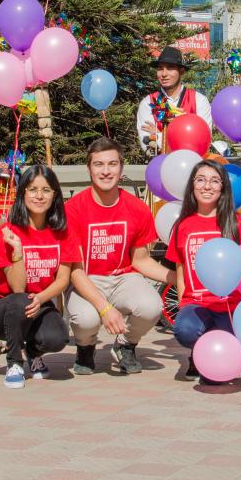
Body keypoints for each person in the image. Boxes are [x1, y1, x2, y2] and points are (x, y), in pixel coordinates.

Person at [64, 137, 172, 375]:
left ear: (121, 169)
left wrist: (176, 277)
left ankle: (125, 345)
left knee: (152, 306)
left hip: (124, 277)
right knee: (85, 319)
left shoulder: (137, 209)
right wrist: (105, 309)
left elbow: (140, 260)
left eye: (112, 164)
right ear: (89, 168)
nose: (105, 171)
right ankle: (85, 346)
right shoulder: (73, 209)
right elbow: (75, 270)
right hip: (86, 278)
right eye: (98, 164)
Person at [167, 160, 241, 381]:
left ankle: (212, 349)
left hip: (229, 305)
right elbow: (181, 268)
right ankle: (198, 350)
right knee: (185, 330)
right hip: (197, 304)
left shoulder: (235, 222)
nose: (207, 186)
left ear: (223, 188)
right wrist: (184, 303)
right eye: (200, 180)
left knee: (231, 354)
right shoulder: (183, 225)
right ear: (192, 186)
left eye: (215, 181)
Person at [0, 166, 73, 389]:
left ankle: (33, 353)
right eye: (33, 189)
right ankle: (14, 362)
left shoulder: (63, 232)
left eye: (46, 190)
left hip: (39, 302)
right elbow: (17, 287)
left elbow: (63, 279)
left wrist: (41, 299)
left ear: (55, 195)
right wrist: (17, 252)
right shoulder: (9, 230)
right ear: (23, 193)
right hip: (3, 307)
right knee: (21, 300)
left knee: (57, 337)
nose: (39, 196)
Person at [136, 47, 212, 158]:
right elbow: (148, 145)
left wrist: (159, 135)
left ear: (181, 71)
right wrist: (186, 138)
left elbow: (203, 140)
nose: (164, 74)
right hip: (160, 170)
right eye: (160, 69)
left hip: (193, 170)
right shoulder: (147, 103)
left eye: (170, 68)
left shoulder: (199, 100)